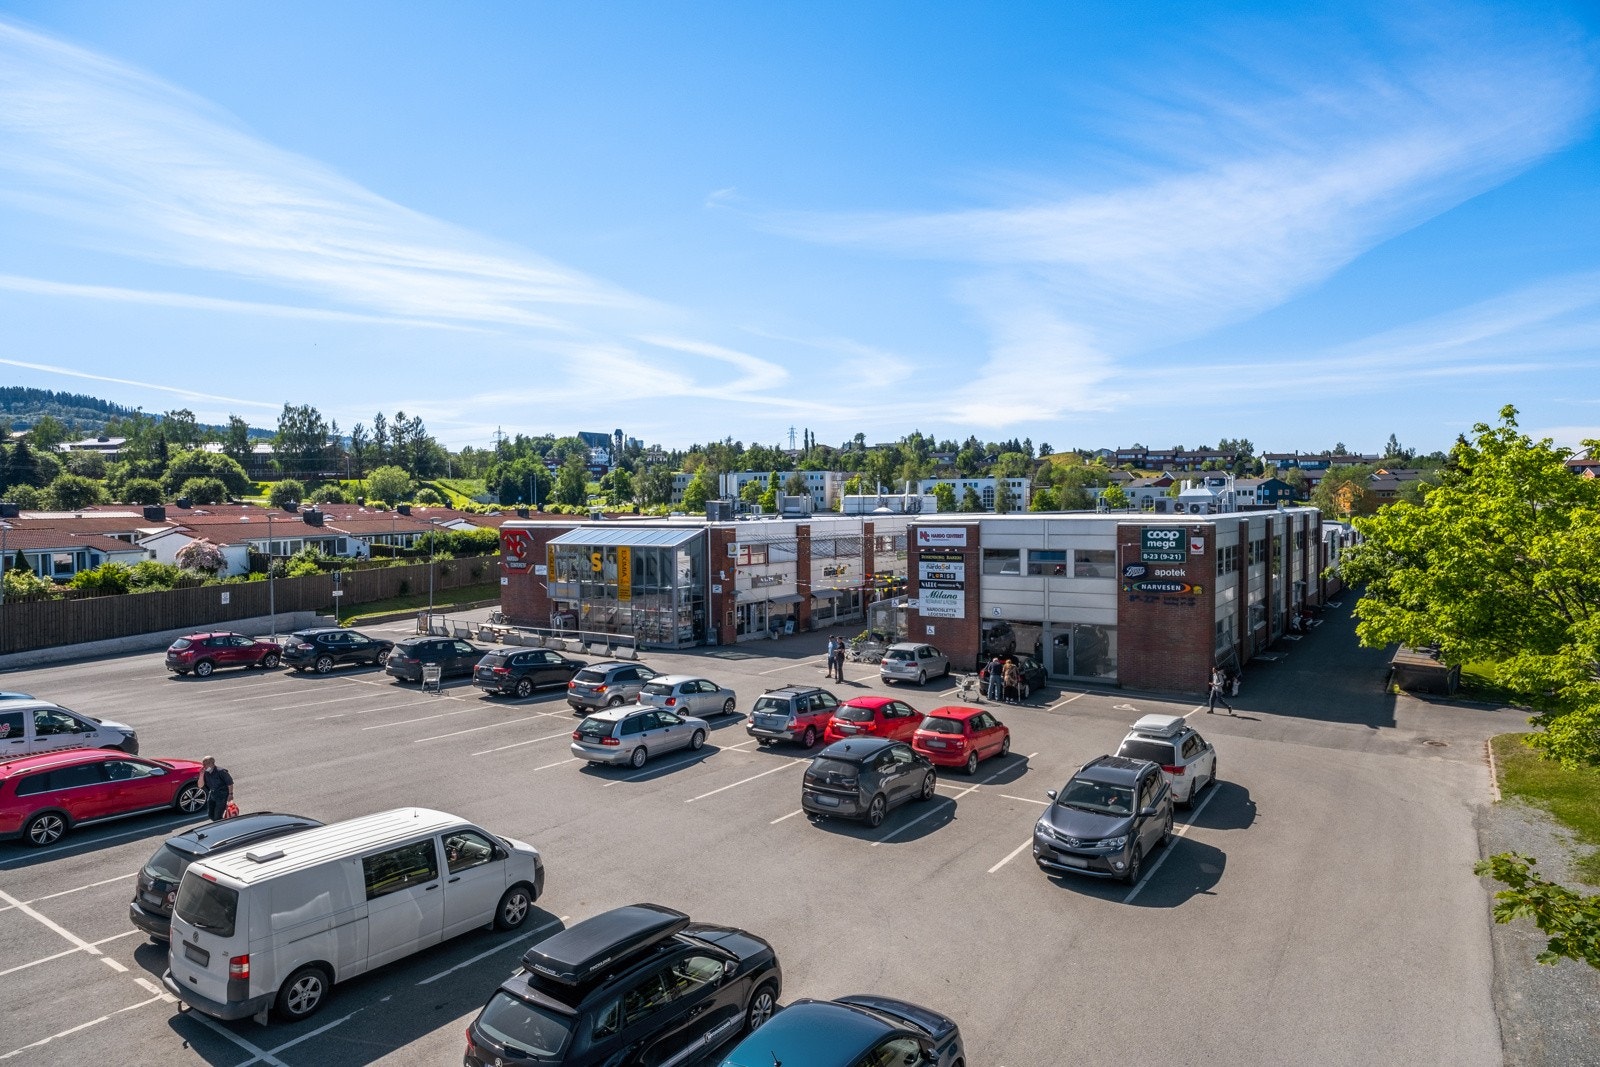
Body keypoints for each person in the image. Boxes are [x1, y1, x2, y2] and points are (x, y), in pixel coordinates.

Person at [201, 756, 234, 821]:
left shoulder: (221, 771)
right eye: (203, 764)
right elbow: (200, 785)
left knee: (217, 816)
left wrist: (230, 794)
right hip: (212, 794)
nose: (203, 766)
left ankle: (220, 826)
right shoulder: (206, 772)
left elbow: (230, 783)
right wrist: (201, 775)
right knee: (210, 814)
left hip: (222, 795)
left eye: (205, 764)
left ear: (211, 763)